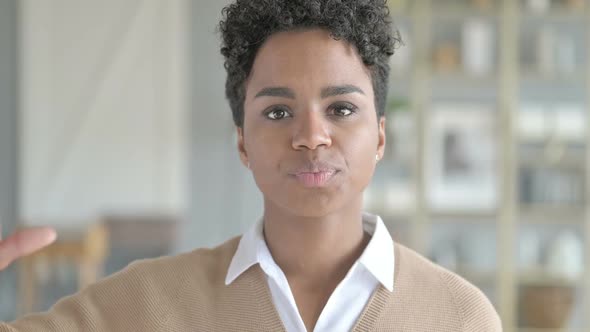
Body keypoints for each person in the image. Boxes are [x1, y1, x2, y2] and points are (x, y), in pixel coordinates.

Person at [0, 0, 502, 331]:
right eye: (278, 112)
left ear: (381, 136)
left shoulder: (460, 317)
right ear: (242, 141)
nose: (310, 135)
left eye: (342, 109)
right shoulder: (149, 305)